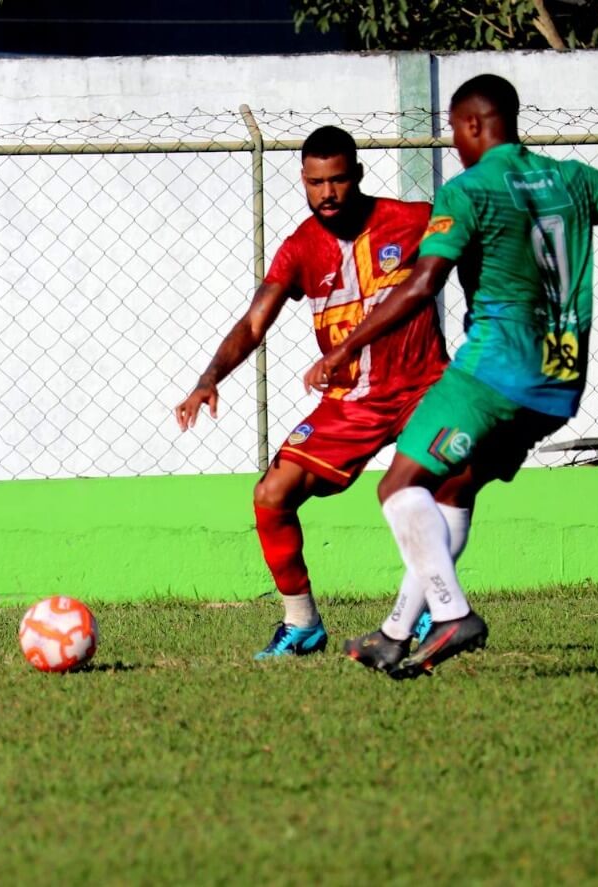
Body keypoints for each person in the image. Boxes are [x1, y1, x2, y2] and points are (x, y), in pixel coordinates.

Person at [306, 74, 598, 678]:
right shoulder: (575, 179)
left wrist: (348, 346)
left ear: (469, 126)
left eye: (453, 131)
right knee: (455, 487)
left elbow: (423, 283)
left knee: (399, 488)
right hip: (558, 382)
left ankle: (451, 613)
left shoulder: (468, 191)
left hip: (492, 372)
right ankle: (393, 633)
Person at [176, 126, 448, 659]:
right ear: (303, 180)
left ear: (358, 175)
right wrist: (208, 378)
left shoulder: (412, 219)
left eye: (339, 180)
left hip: (424, 387)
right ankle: (301, 624)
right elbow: (255, 323)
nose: (328, 193)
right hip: (348, 403)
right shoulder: (302, 246)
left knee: (417, 492)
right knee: (270, 496)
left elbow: (478, 234)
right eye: (317, 182)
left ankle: (428, 612)